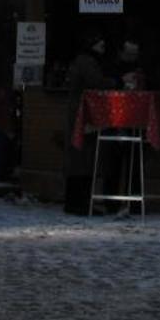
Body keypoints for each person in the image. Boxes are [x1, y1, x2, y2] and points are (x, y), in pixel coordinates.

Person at [61, 34, 112, 215]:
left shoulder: (81, 60)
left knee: (80, 159)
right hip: (84, 115)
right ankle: (80, 204)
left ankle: (76, 203)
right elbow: (96, 83)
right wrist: (117, 82)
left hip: (80, 113)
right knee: (84, 159)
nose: (103, 48)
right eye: (100, 45)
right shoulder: (88, 62)